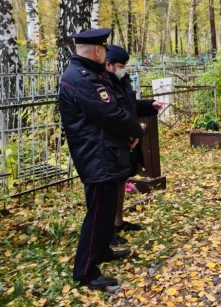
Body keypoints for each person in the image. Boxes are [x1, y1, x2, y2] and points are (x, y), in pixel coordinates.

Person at [59, 29, 144, 289]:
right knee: (97, 214)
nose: (106, 53)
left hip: (103, 151)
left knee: (105, 210)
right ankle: (85, 272)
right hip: (97, 155)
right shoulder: (84, 79)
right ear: (97, 51)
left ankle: (102, 251)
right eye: (104, 49)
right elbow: (111, 114)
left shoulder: (85, 74)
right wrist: (136, 129)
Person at [105, 46, 167, 246]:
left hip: (126, 139)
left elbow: (129, 105)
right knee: (111, 187)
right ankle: (107, 231)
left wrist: (149, 105)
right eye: (121, 66)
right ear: (109, 65)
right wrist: (134, 131)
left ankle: (118, 222)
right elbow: (114, 113)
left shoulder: (121, 80)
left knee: (122, 180)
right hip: (114, 141)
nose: (124, 69)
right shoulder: (103, 84)